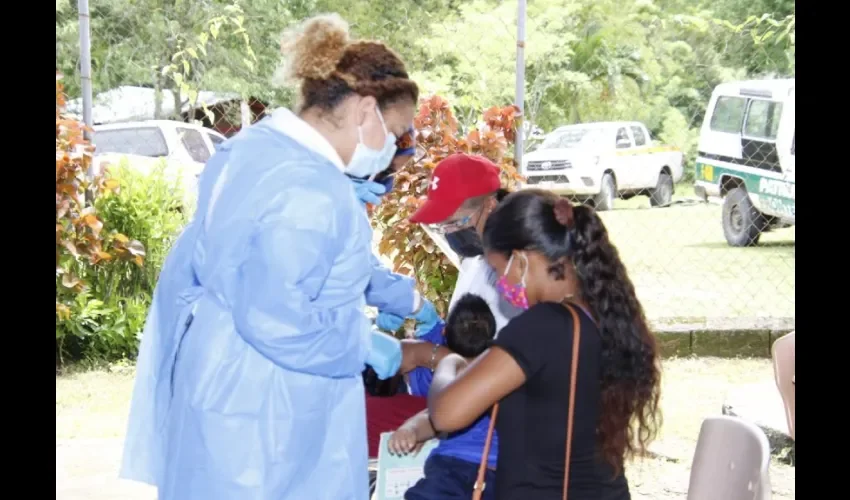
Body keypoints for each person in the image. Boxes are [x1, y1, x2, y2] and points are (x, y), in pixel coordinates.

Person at [120, 14, 421, 499]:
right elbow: (277, 317)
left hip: (222, 380)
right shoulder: (314, 190)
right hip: (269, 409)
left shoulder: (249, 152)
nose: (391, 151)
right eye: (397, 132)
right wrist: (359, 343)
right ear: (366, 111)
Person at [427, 189, 662, 500]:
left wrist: (445, 362)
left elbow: (446, 413)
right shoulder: (599, 315)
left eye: (498, 270)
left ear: (522, 259)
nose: (501, 285)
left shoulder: (544, 326)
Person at [387, 293, 498, 500]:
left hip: (452, 468)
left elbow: (435, 415)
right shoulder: (501, 370)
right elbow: (434, 416)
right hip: (495, 472)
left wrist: (412, 430)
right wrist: (412, 430)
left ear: (446, 332)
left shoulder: (443, 362)